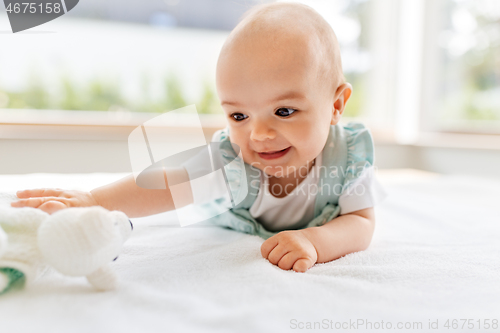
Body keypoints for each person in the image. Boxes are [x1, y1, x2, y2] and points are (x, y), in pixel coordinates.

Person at [11, 2, 387, 273]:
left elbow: (360, 224)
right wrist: (95, 200)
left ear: (337, 105)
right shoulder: (233, 158)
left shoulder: (349, 155)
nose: (258, 134)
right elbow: (169, 182)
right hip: (234, 213)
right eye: (239, 115)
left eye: (284, 111)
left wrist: (314, 242)